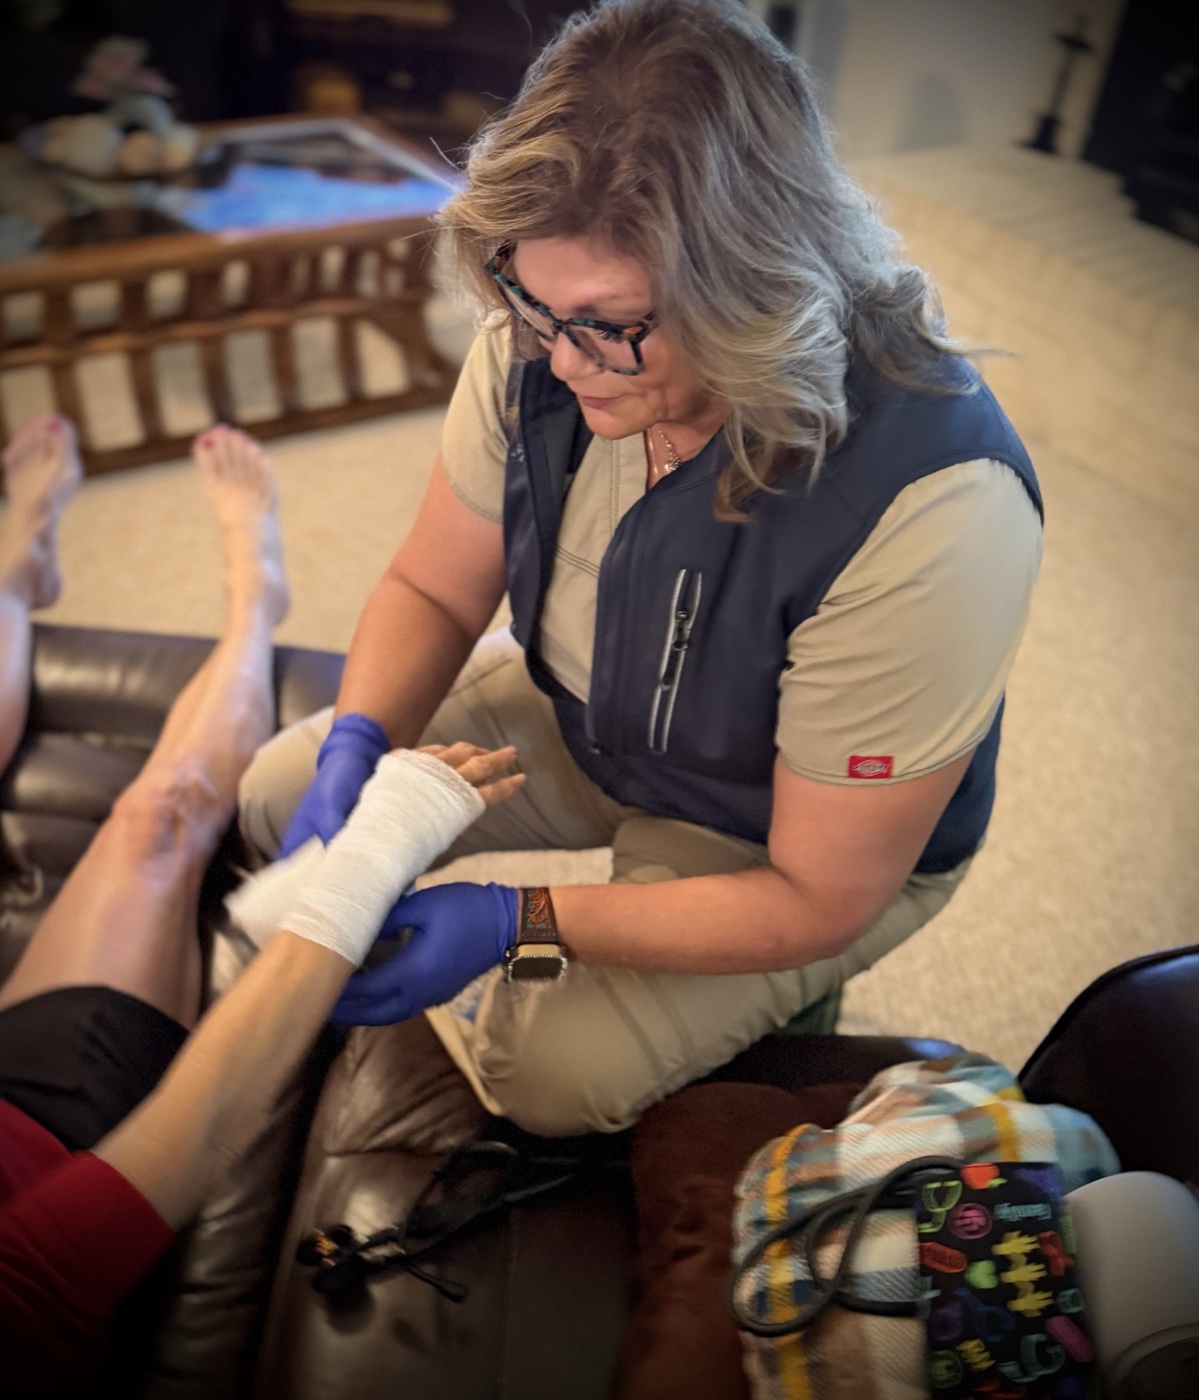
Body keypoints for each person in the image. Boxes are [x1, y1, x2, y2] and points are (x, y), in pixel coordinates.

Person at [238, 0, 1044, 1138]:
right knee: (281, 795)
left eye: (609, 326)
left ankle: (749, 1003)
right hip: (588, 716)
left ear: (751, 281)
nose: (560, 360)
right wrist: (360, 743)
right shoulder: (547, 333)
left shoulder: (934, 503)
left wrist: (510, 918)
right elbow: (431, 586)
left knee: (548, 1073)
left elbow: (821, 888)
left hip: (777, 832)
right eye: (531, 302)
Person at [0, 417, 521, 1395]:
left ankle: (15, 570)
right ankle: (255, 596)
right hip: (45, 1130)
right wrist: (374, 847)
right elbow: (198, 1124)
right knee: (158, 819)